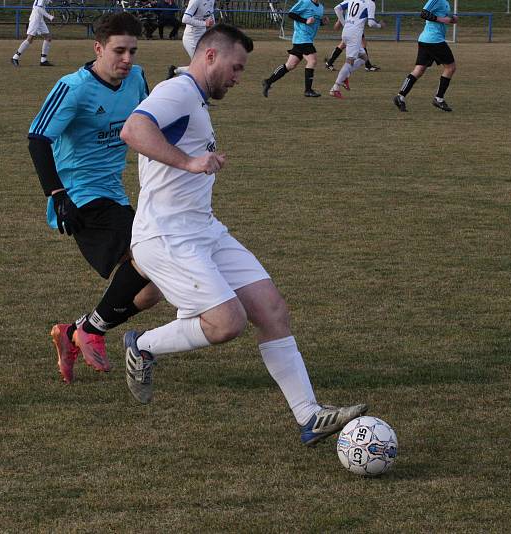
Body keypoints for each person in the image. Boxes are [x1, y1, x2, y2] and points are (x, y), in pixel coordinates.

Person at [119, 23, 368, 446]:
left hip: (204, 230)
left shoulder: (194, 99)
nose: (238, 77)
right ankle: (142, 345)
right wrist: (189, 162)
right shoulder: (178, 91)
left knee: (272, 310)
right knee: (226, 323)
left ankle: (309, 416)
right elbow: (133, 130)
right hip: (167, 236)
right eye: (235, 68)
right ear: (210, 56)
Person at [27, 12, 162, 384]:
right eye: (119, 51)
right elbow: (37, 139)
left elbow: (147, 119)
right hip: (80, 197)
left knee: (153, 288)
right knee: (150, 254)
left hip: (113, 193)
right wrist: (57, 195)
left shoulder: (135, 78)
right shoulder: (73, 87)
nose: (127, 59)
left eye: (133, 51)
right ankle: (89, 332)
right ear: (98, 48)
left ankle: (77, 331)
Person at [392, 0, 457, 112]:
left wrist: (451, 19)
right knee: (450, 67)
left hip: (427, 40)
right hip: (434, 40)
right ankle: (439, 98)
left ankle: (400, 96)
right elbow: (423, 14)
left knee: (419, 69)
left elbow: (439, 16)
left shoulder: (445, 2)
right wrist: (443, 19)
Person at [261, 0, 327, 98]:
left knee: (290, 65)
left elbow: (313, 22)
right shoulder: (305, 2)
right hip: (302, 38)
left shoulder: (321, 7)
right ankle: (308, 90)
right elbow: (291, 14)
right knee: (312, 61)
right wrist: (305, 21)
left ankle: (268, 81)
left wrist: (322, 22)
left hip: (305, 39)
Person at [328, 0, 383, 99]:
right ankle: (335, 88)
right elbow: (371, 23)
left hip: (346, 32)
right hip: (355, 34)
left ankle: (345, 76)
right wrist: (379, 25)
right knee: (350, 61)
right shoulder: (370, 3)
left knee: (363, 58)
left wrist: (344, 23)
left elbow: (337, 8)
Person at [165, 0, 213, 79]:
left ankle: (175, 71)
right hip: (191, 38)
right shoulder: (196, 1)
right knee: (202, 66)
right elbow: (185, 19)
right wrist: (204, 24)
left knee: (207, 64)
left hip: (203, 37)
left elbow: (209, 14)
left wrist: (212, 21)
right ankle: (180, 79)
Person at [12, 0, 54, 67]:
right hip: (35, 18)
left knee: (48, 37)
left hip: (40, 18)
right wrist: (49, 16)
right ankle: (15, 57)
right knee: (30, 39)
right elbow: (38, 8)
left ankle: (43, 60)